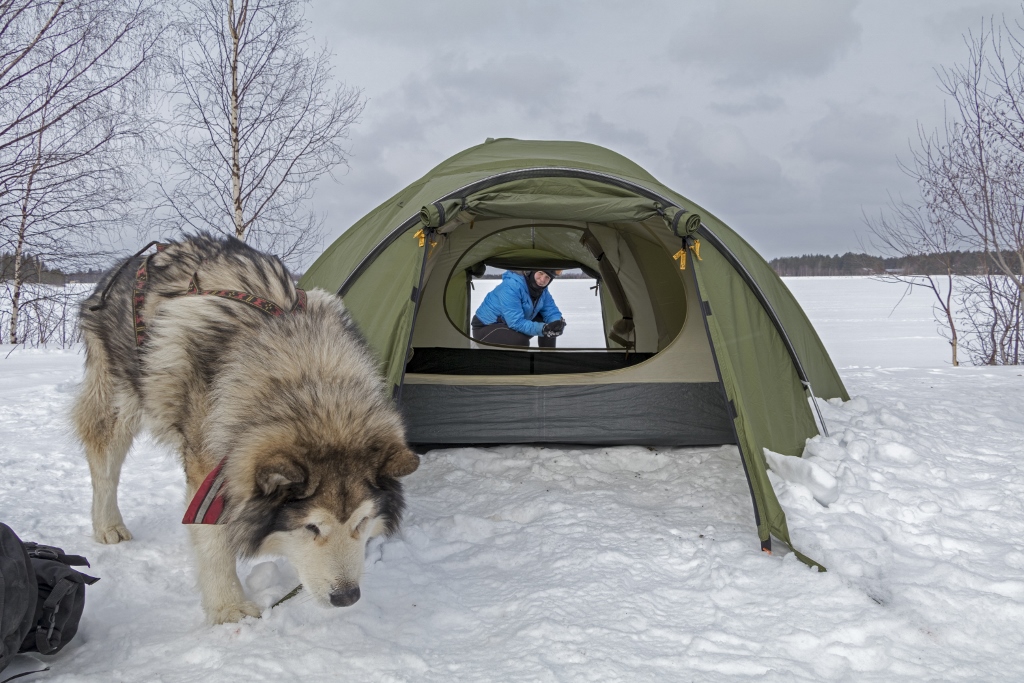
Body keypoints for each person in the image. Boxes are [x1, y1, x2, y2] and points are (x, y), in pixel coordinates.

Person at [472, 269, 567, 347]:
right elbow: (516, 322)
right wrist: (543, 329)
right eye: (540, 273)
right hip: (486, 328)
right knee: (520, 342)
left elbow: (551, 311)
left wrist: (556, 323)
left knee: (551, 324)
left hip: (509, 325)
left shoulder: (542, 291)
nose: (542, 280)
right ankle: (518, 368)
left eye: (547, 277)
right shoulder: (511, 286)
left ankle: (547, 361)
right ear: (531, 272)